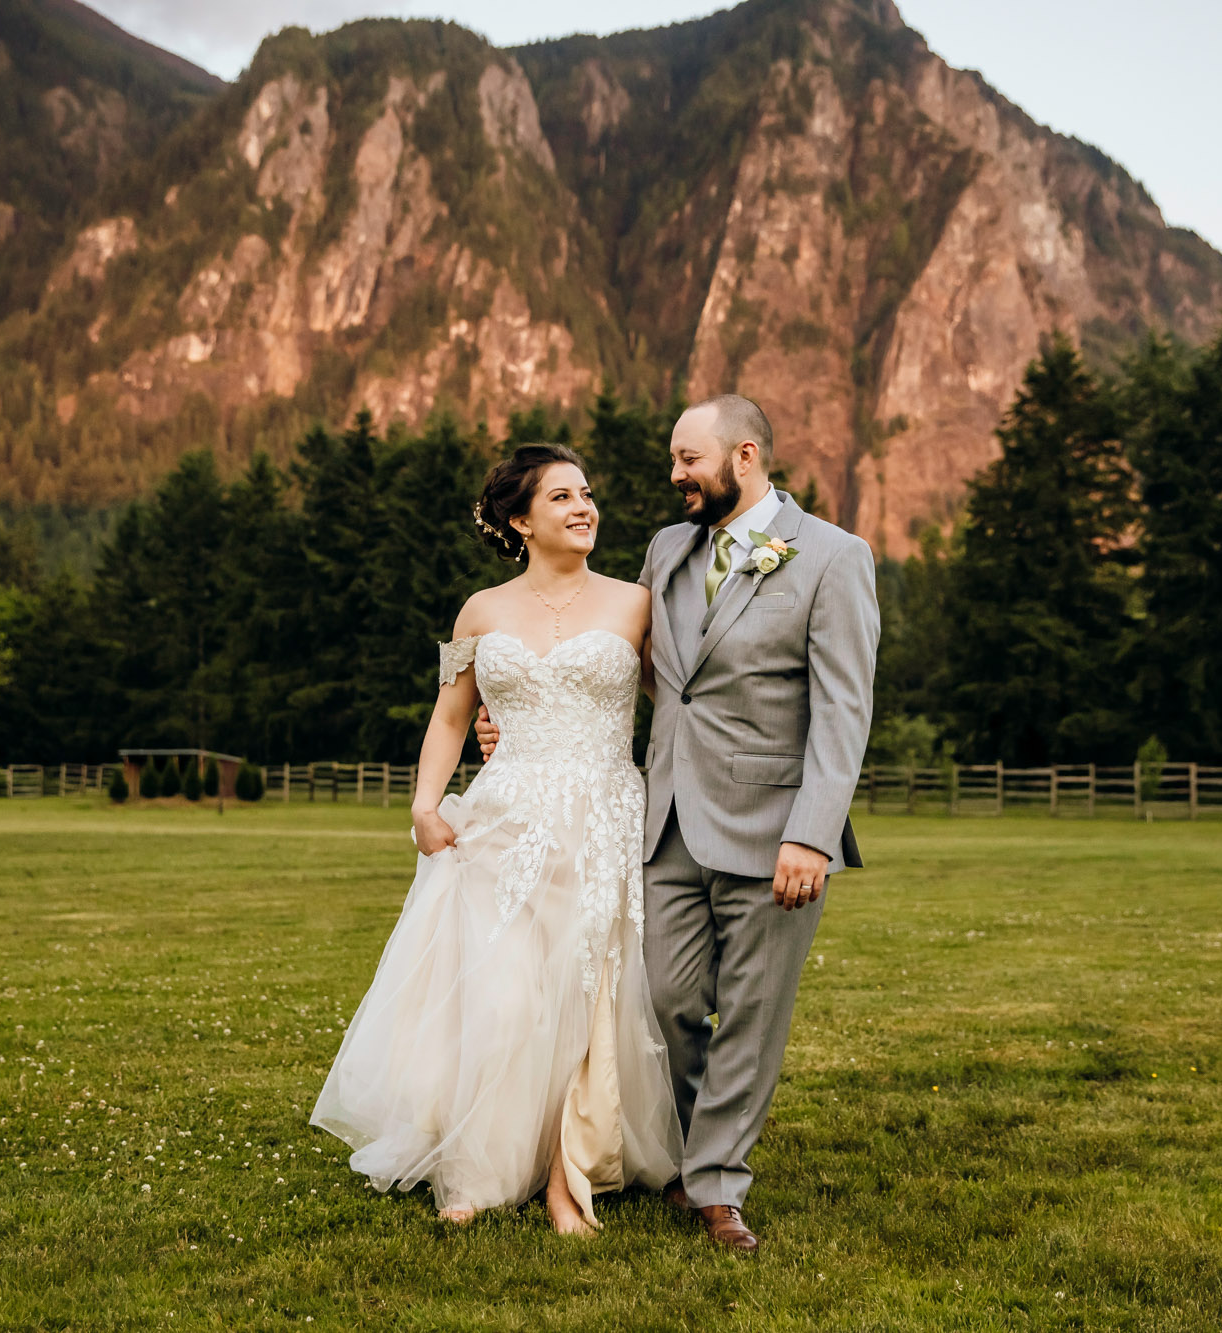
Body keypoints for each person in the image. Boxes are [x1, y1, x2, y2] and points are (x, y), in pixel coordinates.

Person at [477, 395, 879, 1252]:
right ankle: (699, 1153)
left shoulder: (835, 558)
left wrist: (813, 831)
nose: (673, 476)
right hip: (662, 826)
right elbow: (656, 677)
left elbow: (845, 709)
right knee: (664, 1002)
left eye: (686, 459)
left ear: (743, 456)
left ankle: (716, 1184)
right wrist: (520, 713)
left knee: (752, 1011)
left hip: (777, 831)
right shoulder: (668, 549)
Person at [311, 444, 681, 1235]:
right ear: (521, 520)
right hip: (504, 818)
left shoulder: (635, 605)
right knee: (505, 993)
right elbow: (450, 712)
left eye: (587, 493)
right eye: (562, 497)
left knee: (588, 996)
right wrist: (423, 804)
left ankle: (567, 1167)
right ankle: (478, 1162)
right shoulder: (478, 612)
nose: (584, 507)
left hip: (603, 817)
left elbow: (678, 708)